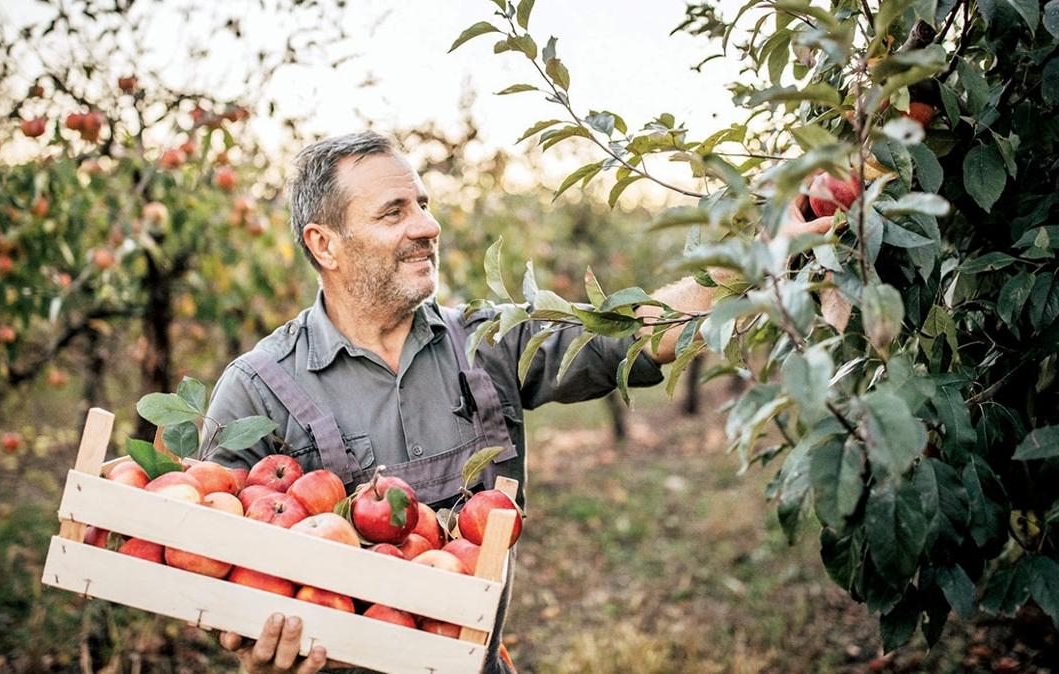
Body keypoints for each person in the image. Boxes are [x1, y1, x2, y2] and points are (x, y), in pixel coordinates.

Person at [202, 131, 832, 674]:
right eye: (394, 212)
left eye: (423, 204)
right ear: (325, 244)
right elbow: (208, 568)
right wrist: (254, 646)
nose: (427, 225)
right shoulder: (258, 388)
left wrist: (754, 261)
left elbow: (633, 331)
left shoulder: (486, 342)